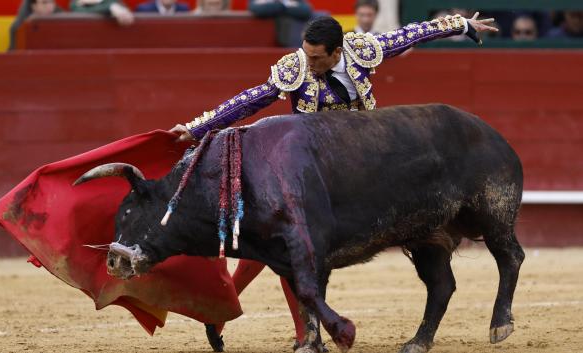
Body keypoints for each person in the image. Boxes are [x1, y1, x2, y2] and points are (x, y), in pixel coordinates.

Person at [170, 12, 497, 352]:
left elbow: (411, 35)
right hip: (311, 169)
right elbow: (252, 98)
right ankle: (293, 332)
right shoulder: (295, 68)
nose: (307, 62)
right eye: (305, 53)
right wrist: (197, 128)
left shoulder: (362, 50)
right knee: (283, 243)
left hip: (358, 166)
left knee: (277, 244)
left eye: (315, 57)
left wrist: (462, 25)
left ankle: (228, 312)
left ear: (336, 52)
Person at [70, 0, 135, 26]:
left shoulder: (113, 1)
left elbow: (123, 9)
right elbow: (78, 12)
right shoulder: (75, 3)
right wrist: (110, 7)